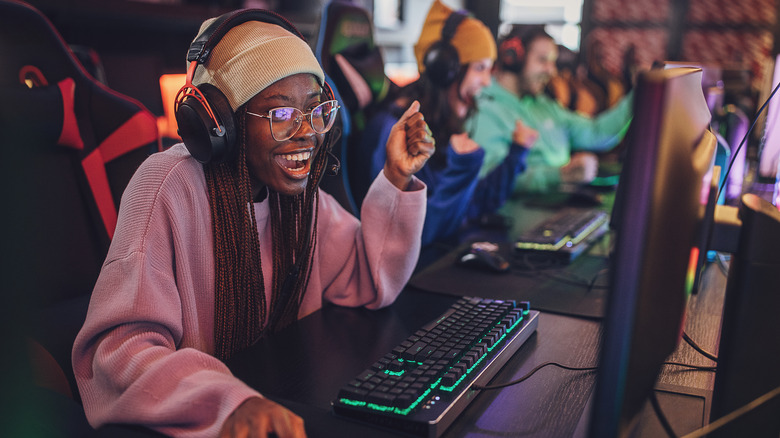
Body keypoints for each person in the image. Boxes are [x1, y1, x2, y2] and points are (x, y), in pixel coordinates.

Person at [72, 10, 434, 438]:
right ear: (221, 125)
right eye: (281, 116)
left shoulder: (296, 202)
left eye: (316, 111)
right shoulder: (167, 187)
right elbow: (122, 350)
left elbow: (362, 275)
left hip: (280, 399)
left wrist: (395, 177)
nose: (307, 134)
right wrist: (226, 405)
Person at [356, 0, 538, 253]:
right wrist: (464, 169)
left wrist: (515, 155)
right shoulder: (397, 132)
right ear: (444, 70)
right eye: (479, 68)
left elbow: (473, 204)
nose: (487, 82)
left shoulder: (441, 124)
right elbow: (417, 233)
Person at [469, 26, 634, 194]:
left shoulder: (543, 105)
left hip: (559, 210)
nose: (551, 70)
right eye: (543, 60)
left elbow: (596, 133)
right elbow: (490, 176)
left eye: (552, 62)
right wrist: (559, 175)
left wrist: (638, 95)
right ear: (513, 59)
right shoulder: (485, 108)